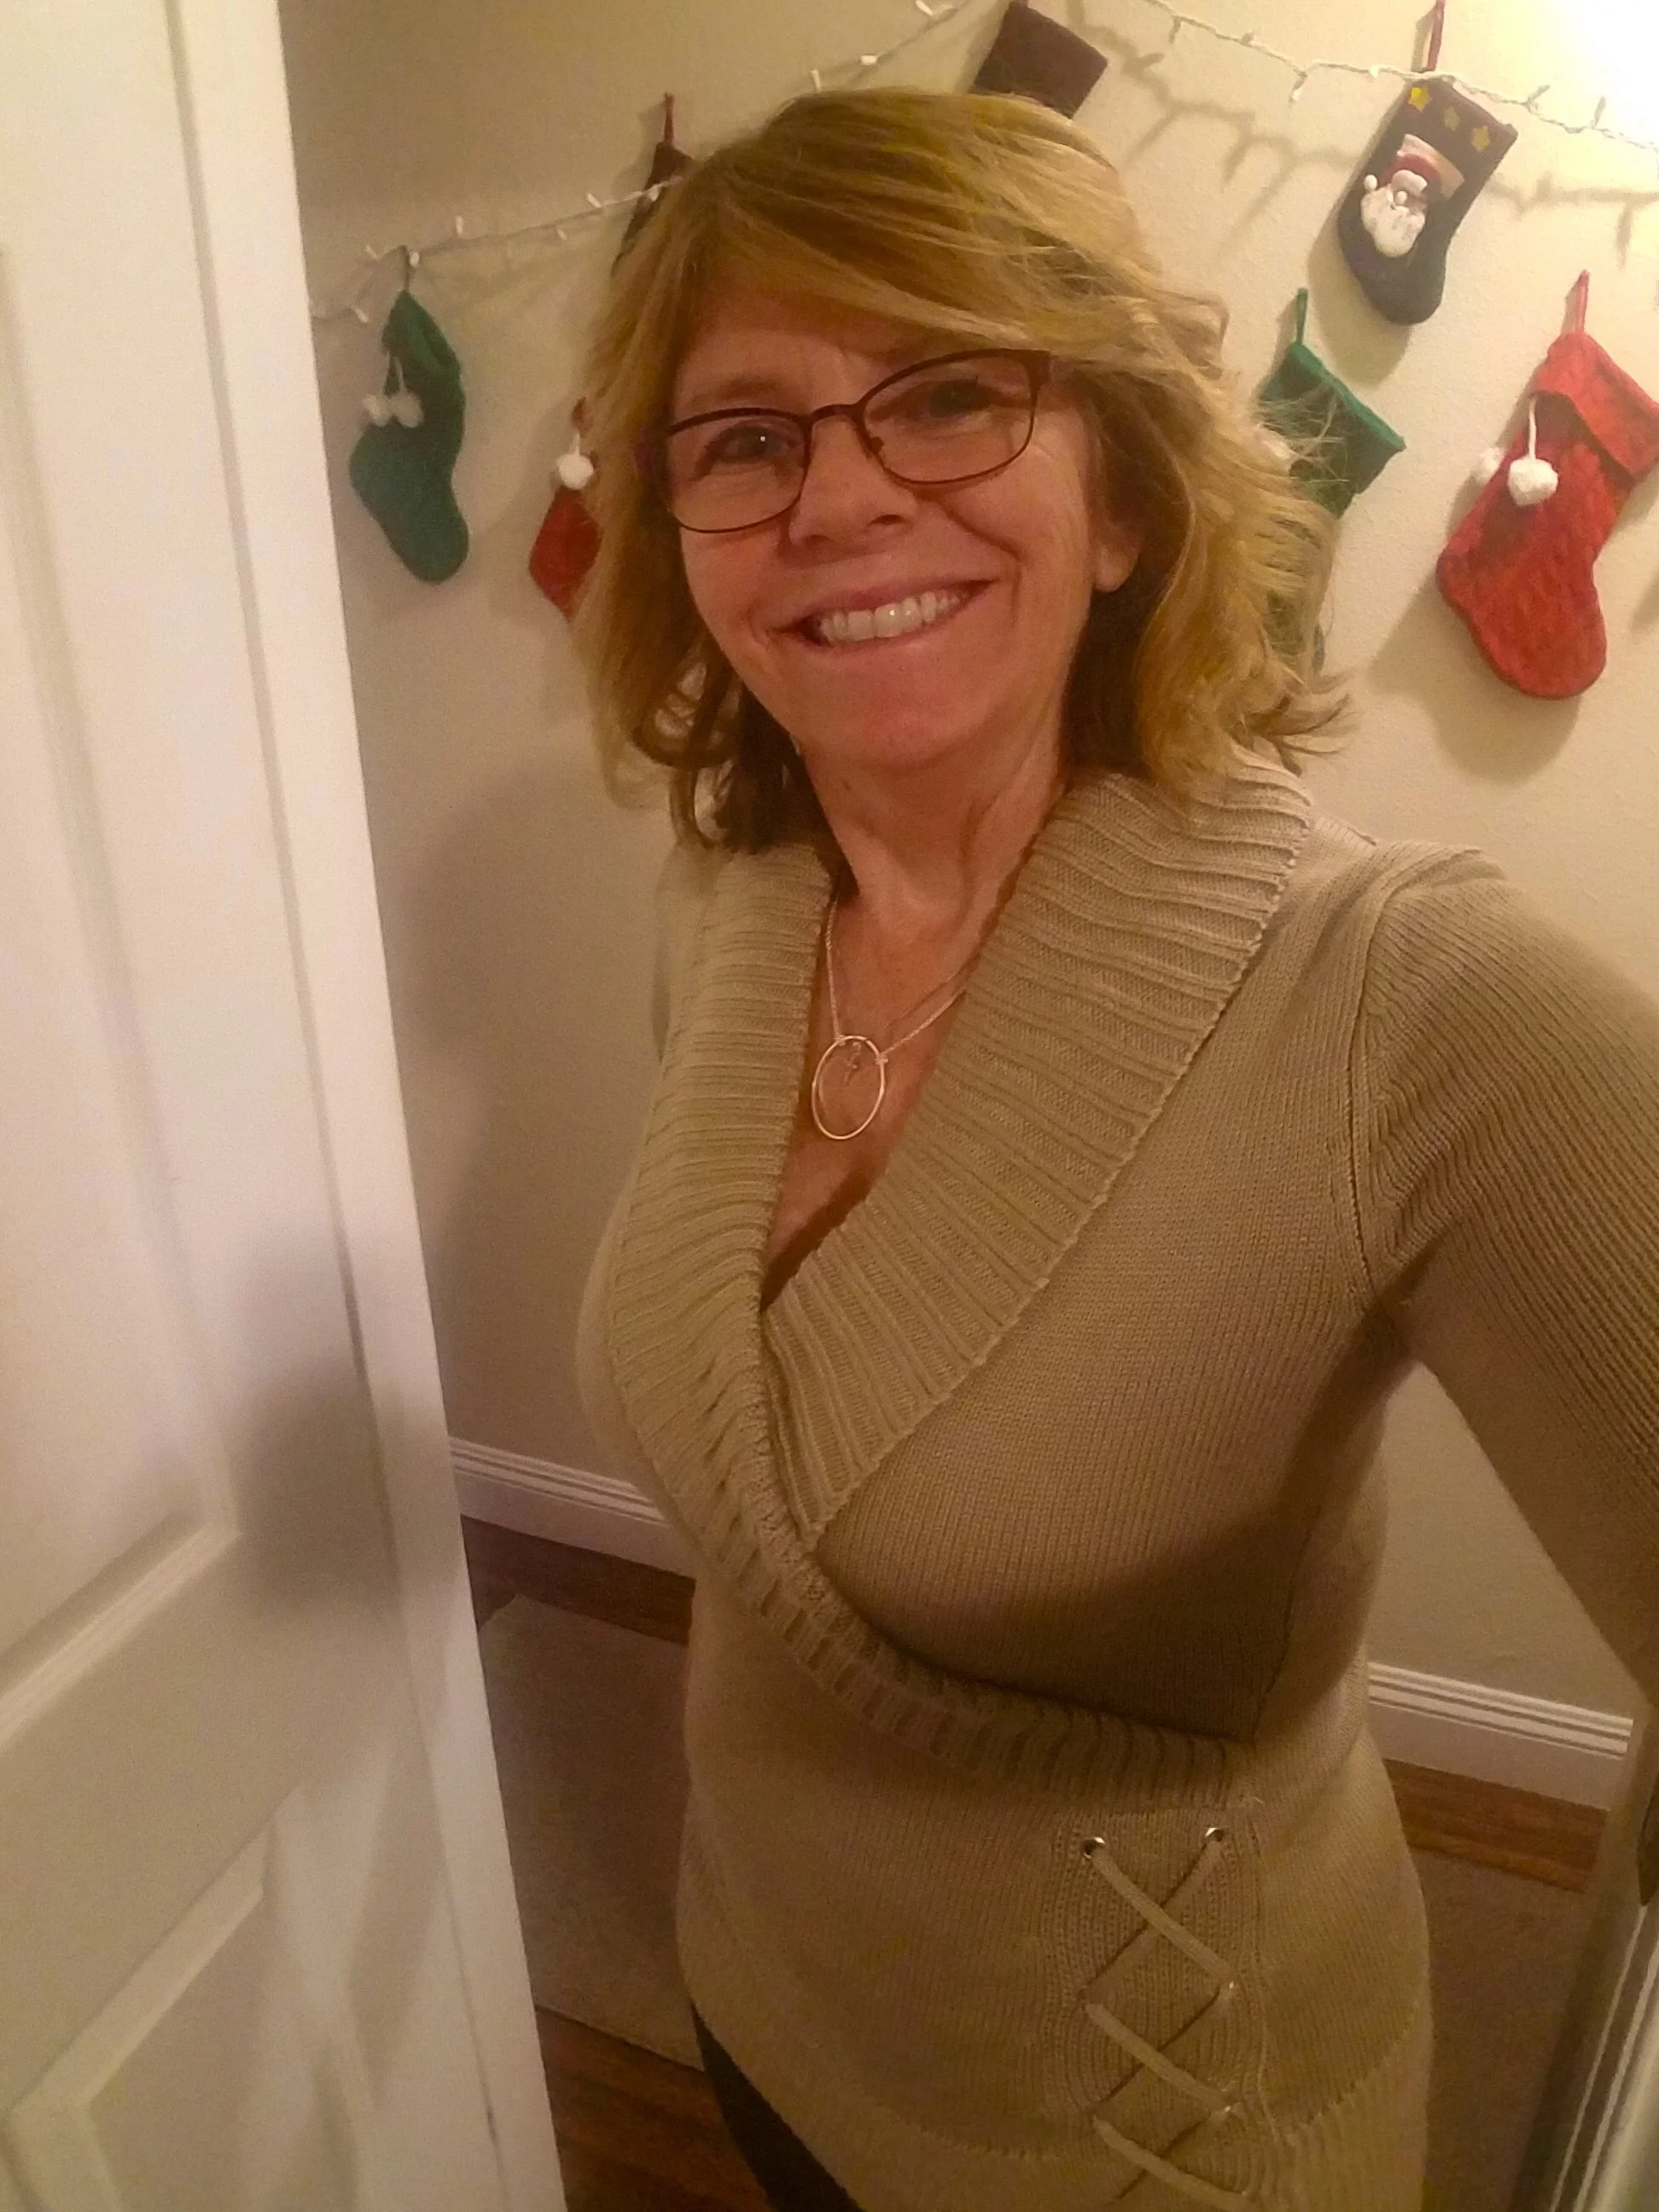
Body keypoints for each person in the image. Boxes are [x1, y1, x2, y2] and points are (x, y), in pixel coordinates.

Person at [571, 86, 1659, 2212]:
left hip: (1151, 2143)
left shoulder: (1409, 1004)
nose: (840, 494)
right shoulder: (730, 908)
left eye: (950, 397)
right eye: (747, 436)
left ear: (1129, 502)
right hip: (755, 2002)